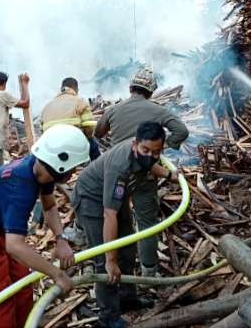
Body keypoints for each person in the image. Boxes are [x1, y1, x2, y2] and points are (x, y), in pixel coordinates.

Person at [0, 125, 90, 327]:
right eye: (74, 168)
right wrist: (57, 275)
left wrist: (60, 239)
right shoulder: (20, 187)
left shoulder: (40, 168)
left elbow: (49, 206)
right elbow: (14, 246)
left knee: (21, 287)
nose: (74, 172)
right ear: (62, 166)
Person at [72, 122, 179, 328]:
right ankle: (108, 317)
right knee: (104, 262)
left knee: (128, 248)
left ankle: (127, 298)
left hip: (114, 200)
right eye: (145, 150)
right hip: (91, 200)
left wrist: (168, 174)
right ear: (134, 144)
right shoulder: (119, 166)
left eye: (156, 152)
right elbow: (109, 214)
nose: (150, 155)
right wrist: (111, 259)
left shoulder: (146, 155)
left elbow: (149, 164)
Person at [93, 67, 188, 278]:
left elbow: (97, 132)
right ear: (151, 92)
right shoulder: (158, 111)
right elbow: (182, 131)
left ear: (130, 88)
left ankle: (109, 263)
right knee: (147, 223)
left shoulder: (115, 109)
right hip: (144, 173)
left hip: (117, 171)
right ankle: (148, 273)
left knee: (112, 215)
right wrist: (162, 149)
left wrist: (112, 146)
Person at [40, 77, 100, 161]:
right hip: (72, 143)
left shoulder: (46, 107)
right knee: (93, 144)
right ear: (76, 89)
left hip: (51, 146)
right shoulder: (80, 102)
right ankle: (97, 169)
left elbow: (42, 131)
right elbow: (89, 128)